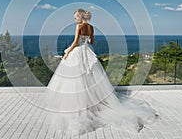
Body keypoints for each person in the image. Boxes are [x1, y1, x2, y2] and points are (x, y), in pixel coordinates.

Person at [43, 8, 158, 137]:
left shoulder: (79, 26)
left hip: (78, 51)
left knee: (76, 77)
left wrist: (68, 52)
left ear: (81, 17)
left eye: (76, 17)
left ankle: (80, 105)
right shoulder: (91, 27)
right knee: (90, 76)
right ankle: (92, 103)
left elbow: (75, 42)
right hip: (87, 50)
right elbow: (92, 41)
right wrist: (85, 40)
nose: (75, 19)